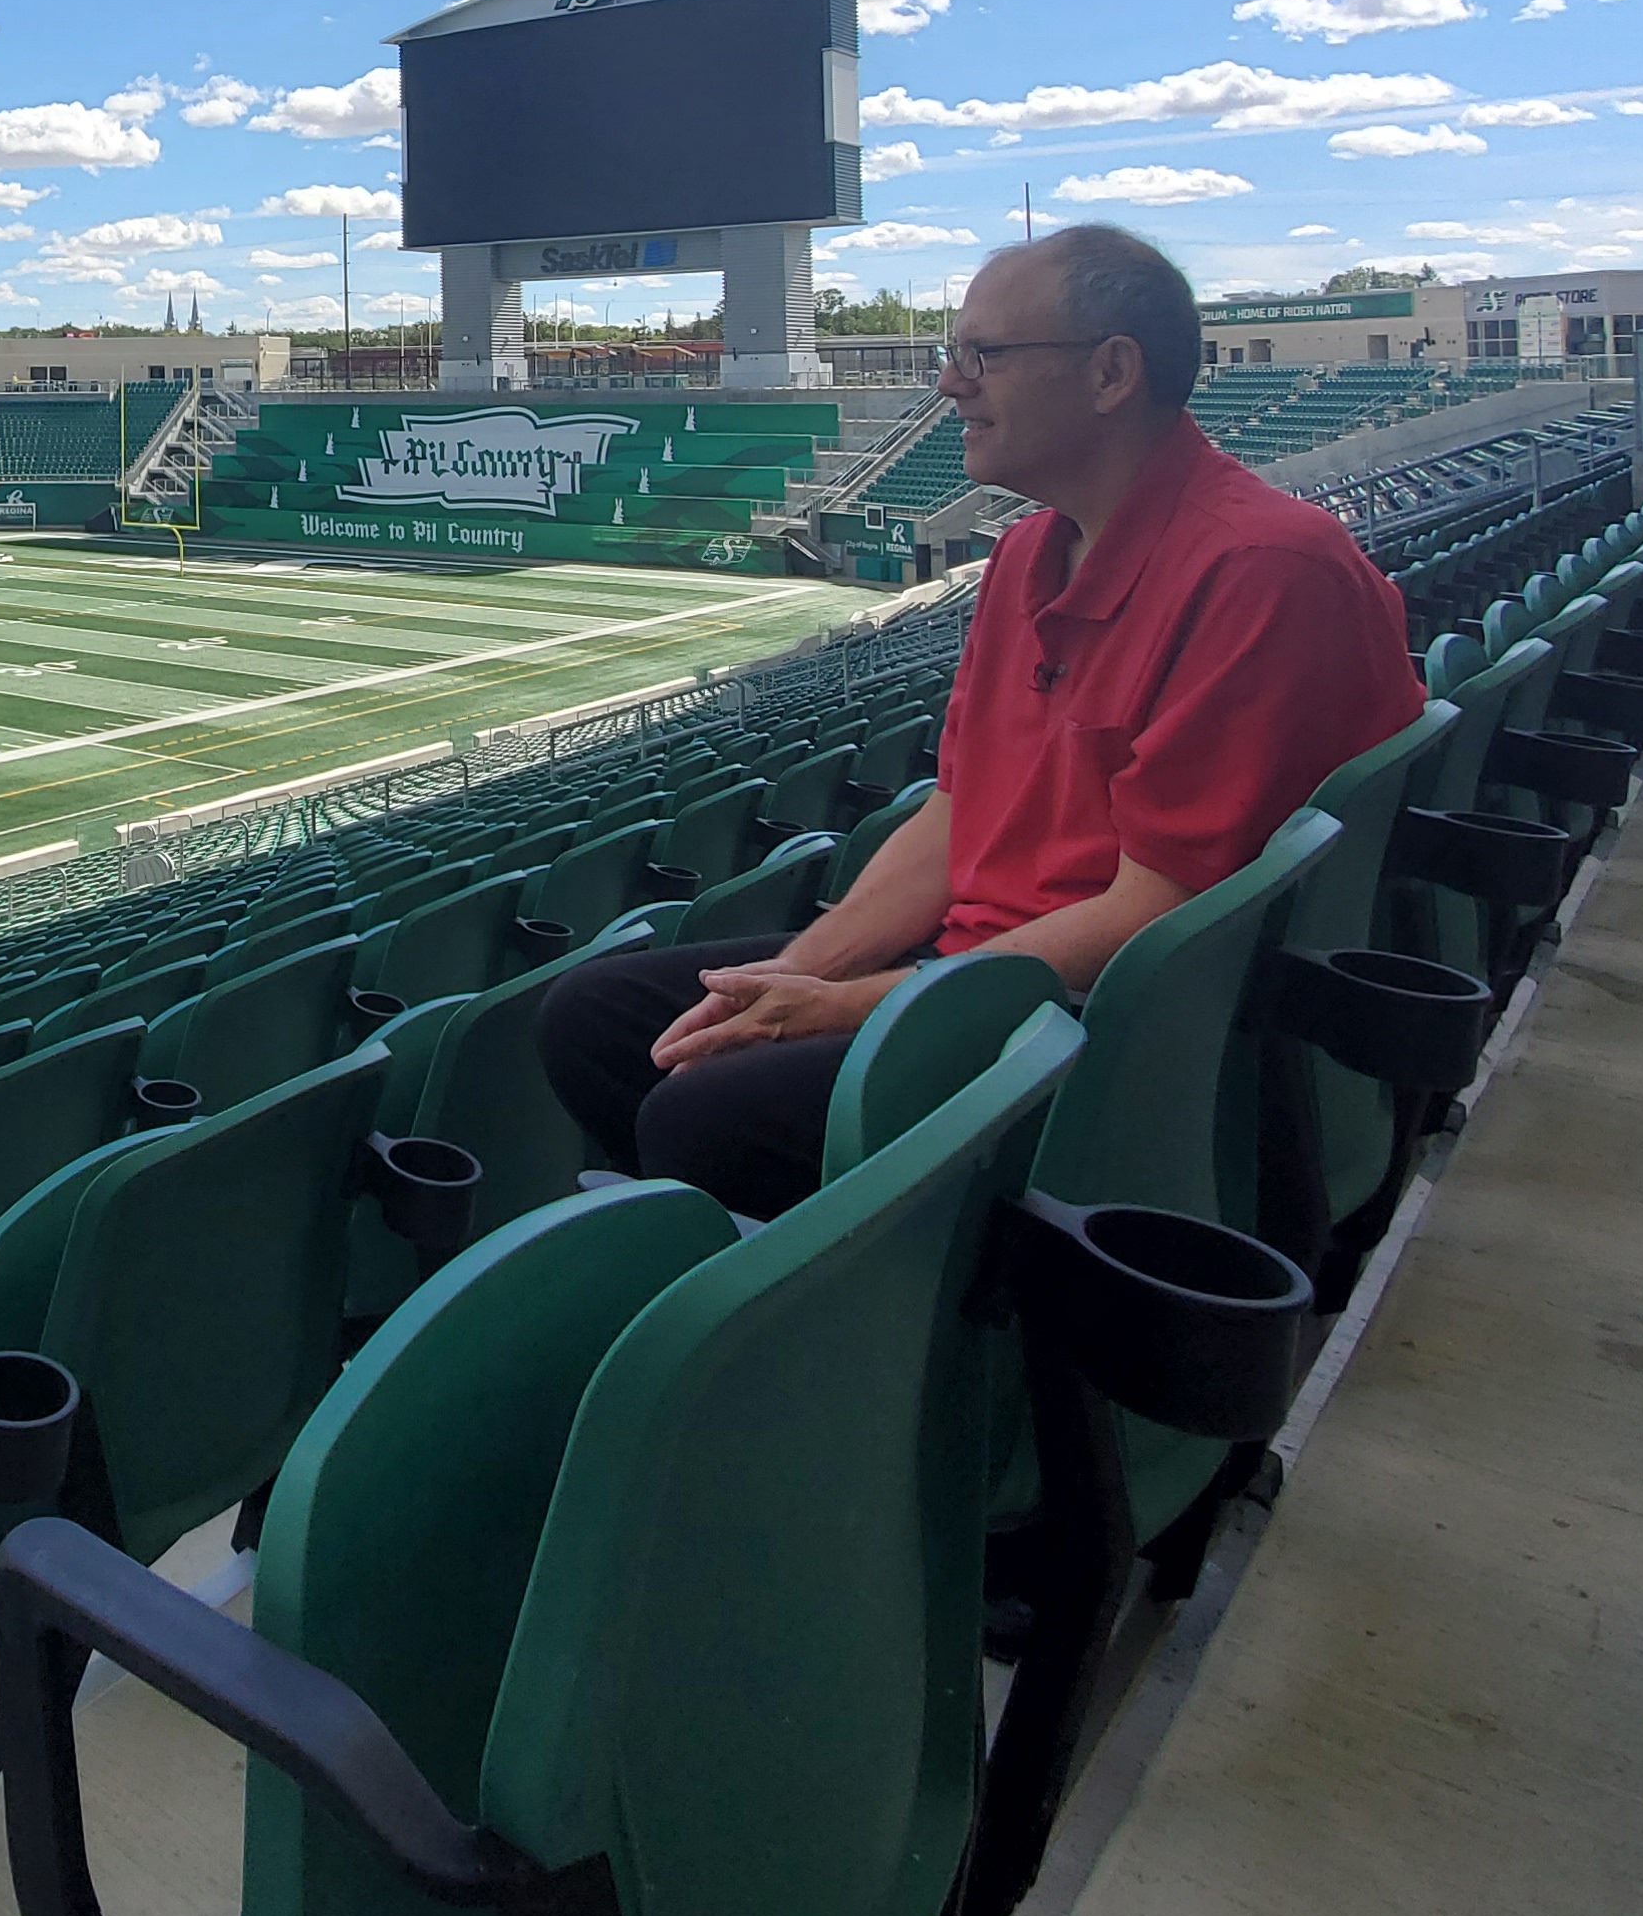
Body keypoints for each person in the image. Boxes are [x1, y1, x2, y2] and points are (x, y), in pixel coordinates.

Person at [536, 225, 1421, 1218]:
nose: (951, 385)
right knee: (595, 1017)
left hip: (1101, 1024)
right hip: (984, 972)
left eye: (982, 355)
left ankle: (904, 1331)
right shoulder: (1026, 559)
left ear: (1110, 373)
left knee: (701, 1113)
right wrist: (791, 975)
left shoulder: (1262, 568)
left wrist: (856, 1010)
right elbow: (958, 815)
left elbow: (1155, 915)